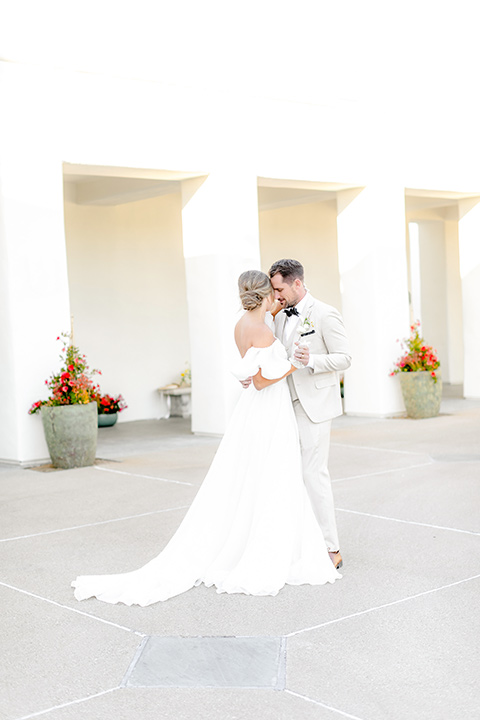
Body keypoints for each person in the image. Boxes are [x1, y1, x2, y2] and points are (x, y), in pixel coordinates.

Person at [72, 270, 341, 606]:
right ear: (265, 294)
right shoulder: (259, 328)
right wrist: (293, 364)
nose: (277, 296)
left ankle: (258, 539)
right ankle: (270, 548)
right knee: (274, 474)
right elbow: (260, 381)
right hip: (269, 409)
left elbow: (252, 369)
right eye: (272, 291)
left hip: (255, 411)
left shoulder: (243, 324)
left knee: (255, 476)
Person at [268, 259, 351, 570]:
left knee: (313, 474)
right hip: (281, 403)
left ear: (297, 284)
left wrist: (313, 359)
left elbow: (345, 357)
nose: (276, 295)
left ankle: (331, 547)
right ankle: (297, 542)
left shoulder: (325, 313)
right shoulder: (277, 315)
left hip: (313, 405)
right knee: (287, 473)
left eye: (279, 289)